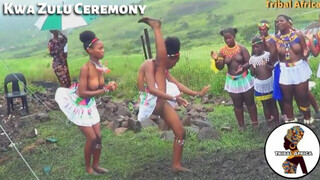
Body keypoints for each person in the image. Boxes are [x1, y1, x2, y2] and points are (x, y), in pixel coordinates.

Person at [137, 17, 210, 172]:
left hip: (160, 103)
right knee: (164, 78)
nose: (174, 66)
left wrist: (197, 93)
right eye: (175, 62)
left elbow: (178, 84)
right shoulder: (149, 65)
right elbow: (151, 89)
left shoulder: (162, 68)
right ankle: (156, 27)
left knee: (180, 132)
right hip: (151, 102)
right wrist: (174, 98)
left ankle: (176, 165)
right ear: (175, 56)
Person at [55, 30, 118, 174]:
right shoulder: (86, 68)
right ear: (90, 50)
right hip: (78, 105)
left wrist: (110, 86)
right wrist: (105, 91)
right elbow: (83, 93)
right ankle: (88, 167)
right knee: (92, 138)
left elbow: (100, 86)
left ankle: (96, 165)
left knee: (99, 138)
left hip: (90, 105)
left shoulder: (99, 66)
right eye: (100, 48)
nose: (103, 51)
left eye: (103, 48)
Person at [211, 28, 258, 131]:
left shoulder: (242, 48)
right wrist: (216, 60)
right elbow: (220, 67)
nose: (227, 40)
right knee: (237, 104)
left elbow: (249, 62)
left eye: (229, 38)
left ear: (234, 37)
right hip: (232, 81)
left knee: (250, 102)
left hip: (245, 78)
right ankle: (241, 126)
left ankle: (255, 123)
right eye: (225, 39)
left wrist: (243, 67)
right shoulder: (222, 51)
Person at [274, 15, 313, 125]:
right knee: (287, 98)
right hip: (285, 71)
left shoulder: (298, 35)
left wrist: (306, 54)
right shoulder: (276, 39)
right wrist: (275, 50)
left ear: (288, 22)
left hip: (299, 68)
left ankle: (308, 119)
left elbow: (305, 52)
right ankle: (291, 120)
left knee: (303, 96)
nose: (279, 23)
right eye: (277, 22)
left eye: (281, 21)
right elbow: (273, 58)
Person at [258, 20, 286, 121]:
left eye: (264, 29)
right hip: (264, 71)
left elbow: (273, 53)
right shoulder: (258, 40)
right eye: (260, 29)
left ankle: (284, 114)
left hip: (275, 67)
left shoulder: (274, 39)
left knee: (279, 91)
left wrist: (265, 43)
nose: (262, 31)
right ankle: (273, 116)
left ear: (268, 29)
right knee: (269, 95)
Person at [249, 36, 279, 130]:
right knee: (265, 105)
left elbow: (272, 67)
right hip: (260, 85)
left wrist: (267, 66)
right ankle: (269, 123)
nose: (255, 49)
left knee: (273, 104)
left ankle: (277, 123)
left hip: (270, 82)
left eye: (257, 47)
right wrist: (252, 69)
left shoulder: (268, 55)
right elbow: (253, 74)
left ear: (262, 45)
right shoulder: (252, 59)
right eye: (254, 47)